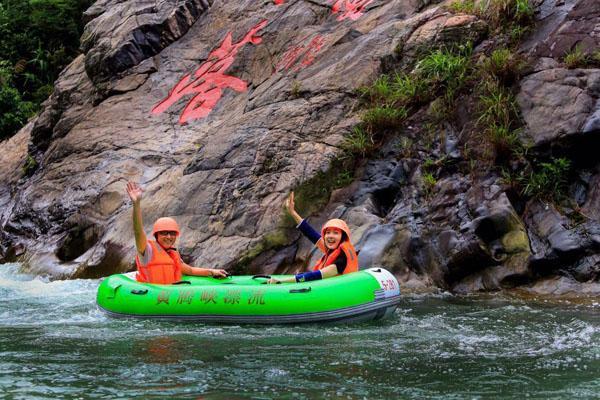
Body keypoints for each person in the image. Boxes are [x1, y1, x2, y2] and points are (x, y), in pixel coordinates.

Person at [126, 181, 228, 284]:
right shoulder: (147, 250)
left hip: (170, 296)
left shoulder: (173, 254)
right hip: (150, 296)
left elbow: (190, 270)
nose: (169, 237)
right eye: (164, 233)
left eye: (172, 233)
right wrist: (136, 204)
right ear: (157, 235)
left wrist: (211, 271)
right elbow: (138, 231)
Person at [267, 192, 358, 284]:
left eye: (335, 233)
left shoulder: (342, 260)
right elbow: (310, 233)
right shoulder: (333, 249)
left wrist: (282, 281)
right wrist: (292, 212)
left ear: (343, 237)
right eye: (328, 233)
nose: (330, 236)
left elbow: (315, 276)